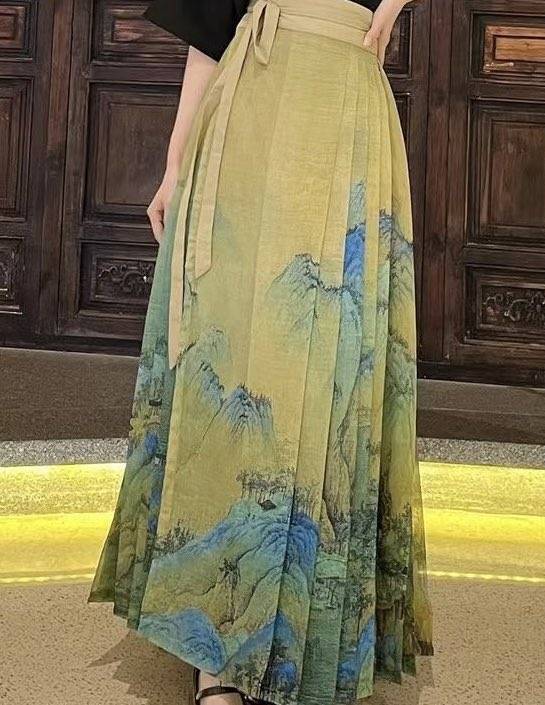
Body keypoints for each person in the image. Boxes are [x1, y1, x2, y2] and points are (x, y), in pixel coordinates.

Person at [88, 0, 433, 703]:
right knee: (235, 366)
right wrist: (176, 159)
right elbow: (209, 21)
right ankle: (217, 652)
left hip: (345, 109)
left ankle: (315, 633)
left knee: (335, 366)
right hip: (251, 103)